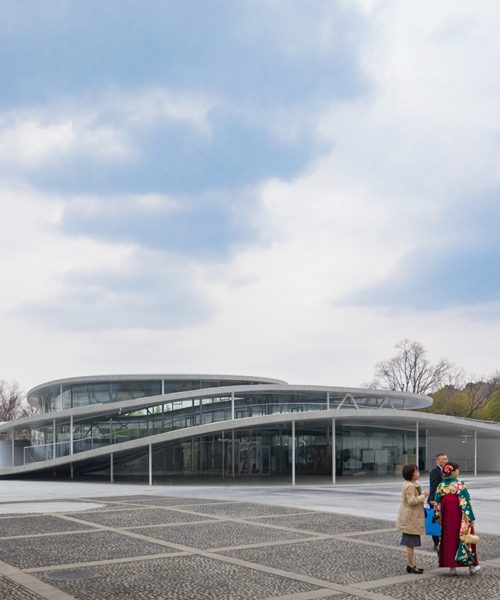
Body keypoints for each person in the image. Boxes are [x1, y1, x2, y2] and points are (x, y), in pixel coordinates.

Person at [434, 462, 481, 576]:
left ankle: (452, 568)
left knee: (449, 538)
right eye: (457, 470)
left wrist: (438, 516)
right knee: (464, 537)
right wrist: (470, 517)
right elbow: (465, 501)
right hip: (459, 515)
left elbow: (437, 503)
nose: (458, 472)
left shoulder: (441, 485)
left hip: (446, 515)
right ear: (453, 471)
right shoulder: (459, 484)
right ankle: (472, 567)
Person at [396, 464, 429, 574]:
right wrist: (424, 495)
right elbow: (411, 501)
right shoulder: (410, 486)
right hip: (410, 519)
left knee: (411, 543)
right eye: (416, 471)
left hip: (411, 518)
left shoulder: (411, 484)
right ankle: (410, 565)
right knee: (410, 543)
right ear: (411, 474)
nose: (418, 473)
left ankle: (411, 564)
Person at [428, 453, 448, 550]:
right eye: (443, 459)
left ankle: (442, 540)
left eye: (446, 459)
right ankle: (436, 543)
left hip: (443, 500)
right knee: (436, 521)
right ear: (437, 461)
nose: (445, 460)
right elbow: (433, 486)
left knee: (443, 521)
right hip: (435, 500)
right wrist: (432, 499)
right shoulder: (435, 471)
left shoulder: (445, 471)